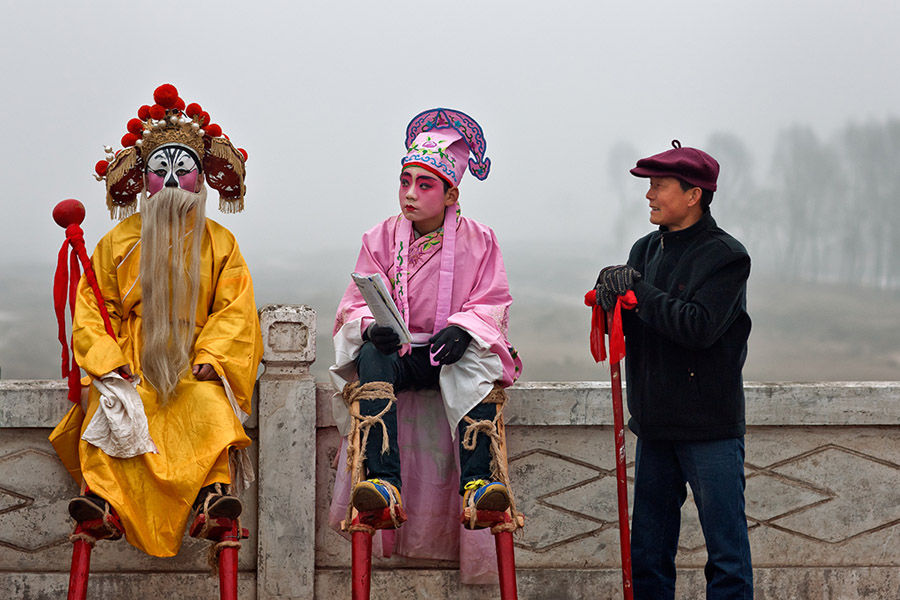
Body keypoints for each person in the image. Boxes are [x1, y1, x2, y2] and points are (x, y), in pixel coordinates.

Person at [49, 84, 262, 557]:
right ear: (143, 179)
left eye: (182, 171)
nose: (169, 182)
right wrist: (106, 360)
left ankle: (213, 497)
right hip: (132, 360)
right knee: (114, 408)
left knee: (208, 409)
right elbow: (92, 309)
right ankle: (102, 502)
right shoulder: (116, 241)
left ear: (200, 180)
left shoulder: (220, 242)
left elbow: (236, 310)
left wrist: (214, 358)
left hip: (194, 362)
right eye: (159, 171)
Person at [328, 108, 522, 581]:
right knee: (371, 354)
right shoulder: (378, 237)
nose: (411, 194)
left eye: (425, 184)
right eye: (405, 181)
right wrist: (371, 327)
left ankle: (479, 483)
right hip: (400, 355)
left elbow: (493, 301)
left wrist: (465, 327)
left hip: (448, 354)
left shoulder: (482, 240)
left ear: (451, 193)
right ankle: (382, 482)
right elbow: (354, 304)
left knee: (476, 360)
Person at [594, 140, 753, 598]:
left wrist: (639, 292)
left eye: (658, 186)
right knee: (648, 553)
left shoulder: (726, 256)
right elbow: (633, 325)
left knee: (726, 556)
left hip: (711, 428)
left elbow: (697, 327)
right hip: (655, 424)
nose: (648, 195)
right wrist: (612, 300)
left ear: (693, 195)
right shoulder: (645, 249)